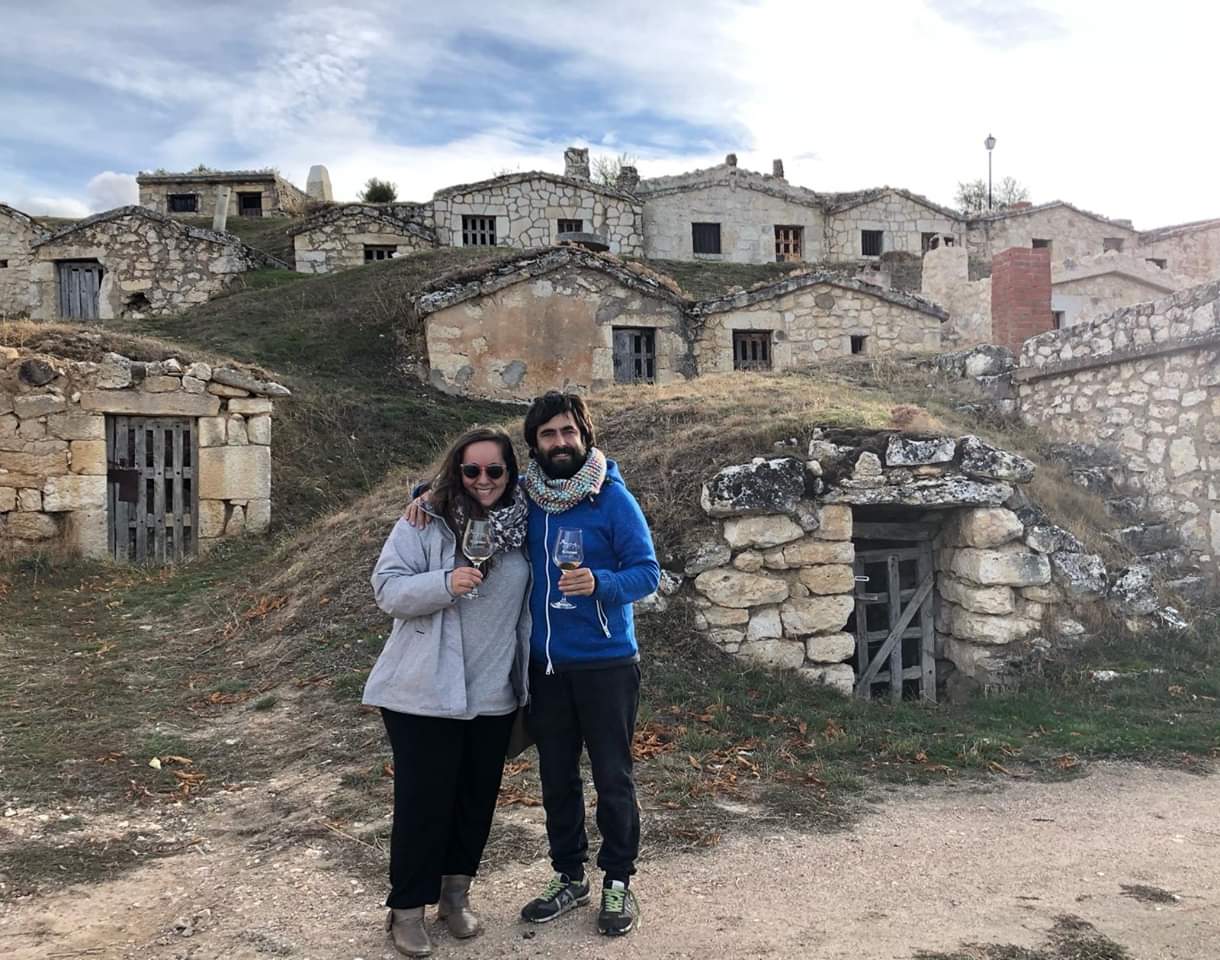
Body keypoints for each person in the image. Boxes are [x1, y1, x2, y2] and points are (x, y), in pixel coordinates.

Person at [408, 391, 659, 936]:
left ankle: (618, 882)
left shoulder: (613, 499)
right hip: (545, 668)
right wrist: (424, 494)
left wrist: (601, 584)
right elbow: (475, 488)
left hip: (607, 662)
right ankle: (569, 876)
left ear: (584, 435)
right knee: (556, 778)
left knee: (613, 778)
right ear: (534, 445)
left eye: (568, 431)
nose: (560, 442)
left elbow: (647, 573)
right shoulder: (529, 497)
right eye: (548, 434)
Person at [365, 425, 531, 958]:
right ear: (456, 471)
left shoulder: (530, 524)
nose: (483, 480)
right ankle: (406, 909)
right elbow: (386, 589)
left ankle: (454, 897)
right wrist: (443, 584)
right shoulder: (425, 519)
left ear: (511, 473)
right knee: (423, 804)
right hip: (423, 691)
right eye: (471, 470)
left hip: (492, 691)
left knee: (474, 801)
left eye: (495, 470)